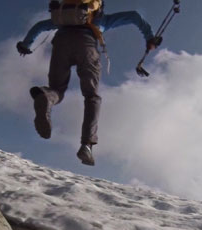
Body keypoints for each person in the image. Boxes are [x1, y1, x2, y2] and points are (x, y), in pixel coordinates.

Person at [17, 1, 160, 166]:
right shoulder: (101, 19)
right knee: (91, 96)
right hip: (87, 44)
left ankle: (46, 98)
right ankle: (86, 145)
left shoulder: (63, 18)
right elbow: (135, 16)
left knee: (56, 89)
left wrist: (25, 45)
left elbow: (39, 26)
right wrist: (150, 37)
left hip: (61, 44)